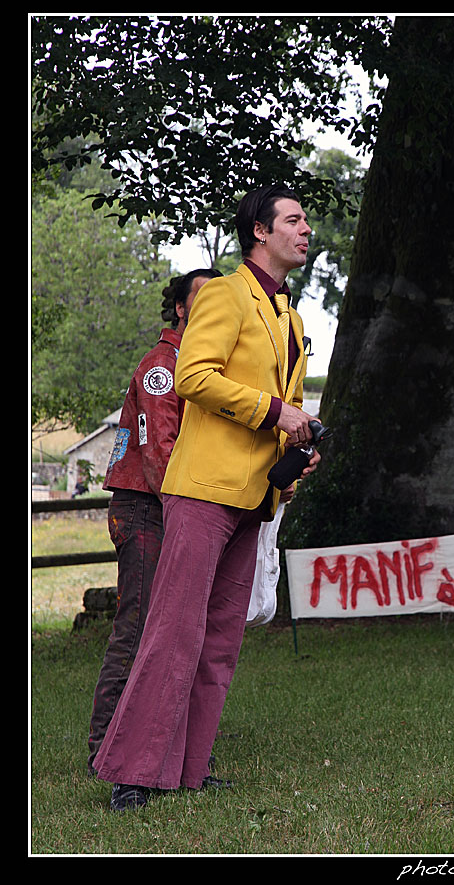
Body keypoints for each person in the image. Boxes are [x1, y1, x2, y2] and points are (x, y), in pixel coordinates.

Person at [93, 185, 321, 811]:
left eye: (306, 220)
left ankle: (190, 770)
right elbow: (193, 375)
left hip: (256, 497)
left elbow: (286, 407)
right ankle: (133, 773)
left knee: (219, 643)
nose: (306, 229)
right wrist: (276, 412)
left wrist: (297, 449)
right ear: (259, 232)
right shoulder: (222, 293)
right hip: (202, 491)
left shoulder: (291, 317)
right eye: (294, 220)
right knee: (173, 631)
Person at [87, 269, 222, 777]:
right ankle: (105, 748)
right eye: (202, 297)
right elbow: (159, 450)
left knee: (180, 628)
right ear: (181, 309)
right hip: (148, 506)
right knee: (139, 626)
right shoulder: (163, 366)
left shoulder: (204, 365)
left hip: (173, 506)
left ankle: (168, 746)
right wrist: (187, 514)